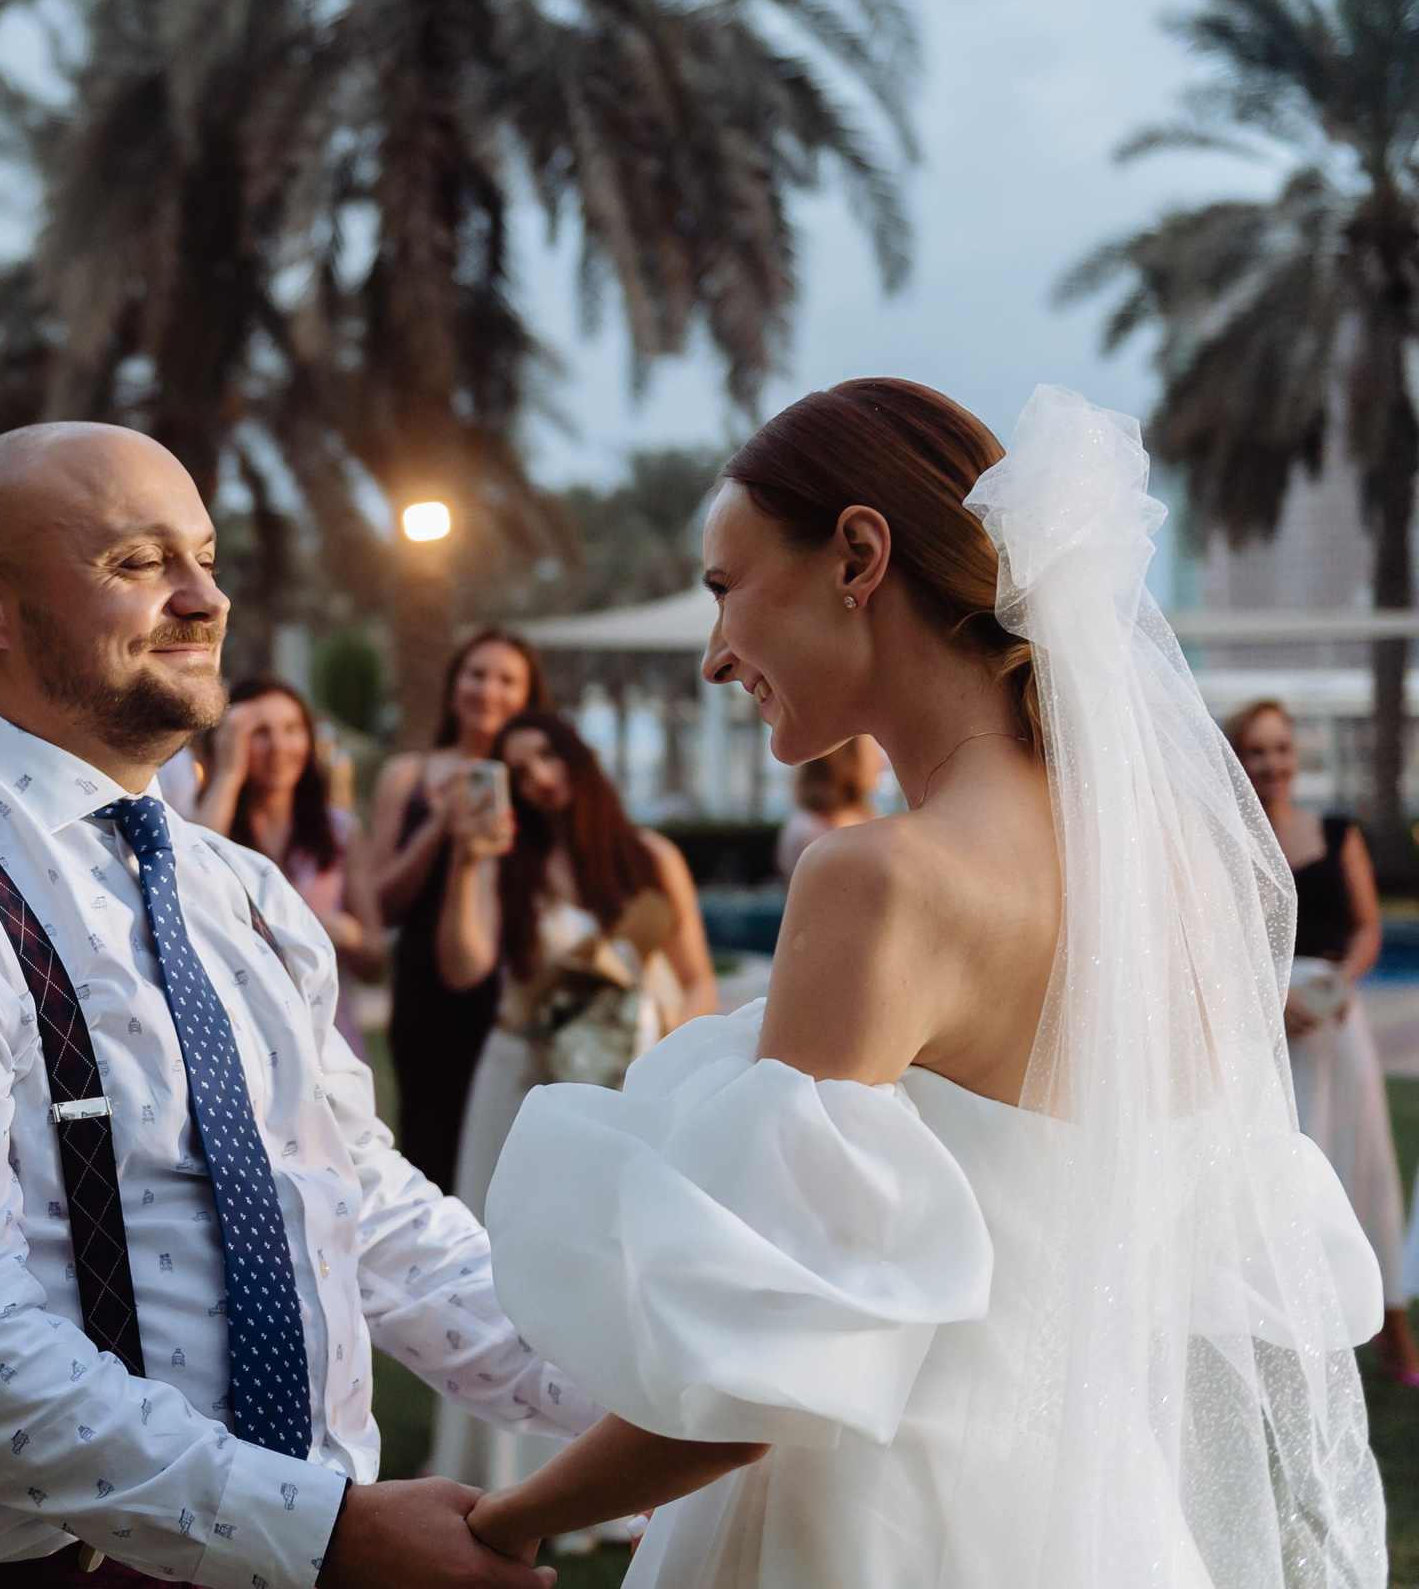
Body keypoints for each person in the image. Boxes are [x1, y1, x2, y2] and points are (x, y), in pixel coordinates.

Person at [467, 383, 1385, 1585]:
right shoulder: (1178, 875)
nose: (711, 657)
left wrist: (508, 1521)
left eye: (723, 588)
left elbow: (772, 1360)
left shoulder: (880, 882)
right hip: (1096, 1514)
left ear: (858, 554)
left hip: (878, 1523)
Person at [0, 421, 599, 1589]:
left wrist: (637, 1392)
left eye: (205, 556)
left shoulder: (238, 890)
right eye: (137, 564)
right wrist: (325, 1534)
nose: (203, 600)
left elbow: (361, 1206)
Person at [425, 708, 715, 1515]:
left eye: (549, 756)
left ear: (578, 759)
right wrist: (469, 861)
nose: (540, 777)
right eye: (518, 769)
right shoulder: (504, 866)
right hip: (525, 1083)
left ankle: (608, 1468)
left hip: (628, 1082)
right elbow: (464, 964)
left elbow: (695, 978)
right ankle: (510, 1467)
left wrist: (659, 1060)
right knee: (509, 1260)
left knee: (614, 1263)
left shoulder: (647, 858)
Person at [1226, 699, 1418, 1380]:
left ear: (1295, 757)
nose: (1271, 763)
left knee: (1361, 1165)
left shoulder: (1338, 833)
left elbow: (1367, 927)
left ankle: (1393, 1328)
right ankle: (1283, 1341)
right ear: (1235, 758)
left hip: (1336, 1026)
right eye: (1256, 750)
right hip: (1264, 1027)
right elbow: (1215, 940)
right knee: (1277, 1172)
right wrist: (1269, 1000)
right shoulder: (1226, 841)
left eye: (1280, 748)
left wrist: (1339, 987)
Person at [369, 630, 549, 1193]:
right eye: (477, 674)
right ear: (453, 688)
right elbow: (381, 900)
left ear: (528, 697)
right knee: (430, 1148)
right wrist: (440, 827)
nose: (489, 690)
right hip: (426, 989)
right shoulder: (408, 776)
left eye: (507, 679)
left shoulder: (540, 780)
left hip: (517, 990)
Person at [189, 674, 386, 1060]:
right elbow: (190, 875)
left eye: (292, 729)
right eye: (260, 732)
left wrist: (343, 933)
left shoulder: (340, 831)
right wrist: (228, 773)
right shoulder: (209, 823)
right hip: (241, 1033)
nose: (279, 745)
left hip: (326, 1037)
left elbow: (375, 961)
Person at [772, 734, 881, 880]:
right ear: (843, 759)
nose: (881, 761)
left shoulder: (869, 819)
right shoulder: (808, 829)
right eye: (871, 752)